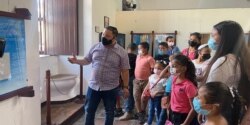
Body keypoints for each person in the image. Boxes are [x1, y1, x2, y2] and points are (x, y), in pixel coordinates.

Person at [68, 26, 130, 125]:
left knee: (109, 112)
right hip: (93, 86)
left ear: (114, 38)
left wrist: (125, 87)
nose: (104, 37)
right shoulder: (95, 47)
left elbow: (125, 70)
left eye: (108, 36)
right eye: (103, 34)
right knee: (89, 110)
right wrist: (76, 61)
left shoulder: (122, 52)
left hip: (111, 88)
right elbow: (87, 60)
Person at [203, 20, 250, 125]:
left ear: (224, 38)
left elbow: (211, 92)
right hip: (237, 109)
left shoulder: (224, 61)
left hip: (221, 111)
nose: (211, 40)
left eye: (213, 35)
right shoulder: (242, 60)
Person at [169, 54, 198, 125]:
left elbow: (194, 108)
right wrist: (169, 106)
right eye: (171, 66)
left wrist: (185, 123)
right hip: (174, 113)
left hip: (184, 116)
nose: (172, 69)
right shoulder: (174, 79)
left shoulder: (188, 86)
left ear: (184, 68)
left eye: (174, 66)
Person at [133, 42, 155, 124]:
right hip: (137, 80)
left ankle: (142, 112)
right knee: (136, 96)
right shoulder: (138, 56)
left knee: (144, 98)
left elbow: (153, 70)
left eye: (140, 48)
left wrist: (151, 81)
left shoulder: (150, 58)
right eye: (138, 48)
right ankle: (139, 113)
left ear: (146, 49)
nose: (139, 50)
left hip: (146, 81)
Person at [119, 43, 137, 120]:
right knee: (130, 95)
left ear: (127, 48)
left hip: (124, 77)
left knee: (127, 95)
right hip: (133, 77)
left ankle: (128, 111)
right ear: (136, 49)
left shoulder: (124, 56)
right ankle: (129, 110)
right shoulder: (136, 57)